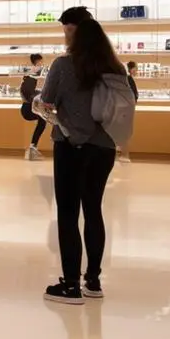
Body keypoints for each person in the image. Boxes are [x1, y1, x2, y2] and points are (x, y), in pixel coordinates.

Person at [39, 18, 124, 304]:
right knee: (93, 209)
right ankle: (94, 280)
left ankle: (71, 284)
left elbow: (48, 100)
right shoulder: (115, 67)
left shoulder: (63, 65)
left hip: (70, 144)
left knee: (67, 213)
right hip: (103, 146)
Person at [23, 53, 47, 161]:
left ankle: (33, 148)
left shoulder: (29, 75)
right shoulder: (34, 73)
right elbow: (28, 92)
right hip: (28, 107)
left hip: (27, 107)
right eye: (41, 62)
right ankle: (33, 148)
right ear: (37, 61)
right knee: (44, 120)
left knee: (43, 121)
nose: (42, 64)